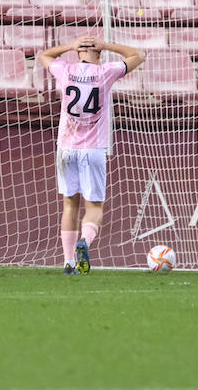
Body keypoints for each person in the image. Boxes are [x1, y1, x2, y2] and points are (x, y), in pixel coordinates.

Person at [37, 34, 145, 275]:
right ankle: (84, 241)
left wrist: (69, 45)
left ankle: (68, 262)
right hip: (93, 148)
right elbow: (138, 56)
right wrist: (107, 44)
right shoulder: (105, 72)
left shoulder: (65, 71)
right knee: (94, 207)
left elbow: (43, 55)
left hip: (66, 149)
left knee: (69, 205)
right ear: (99, 53)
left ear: (77, 53)